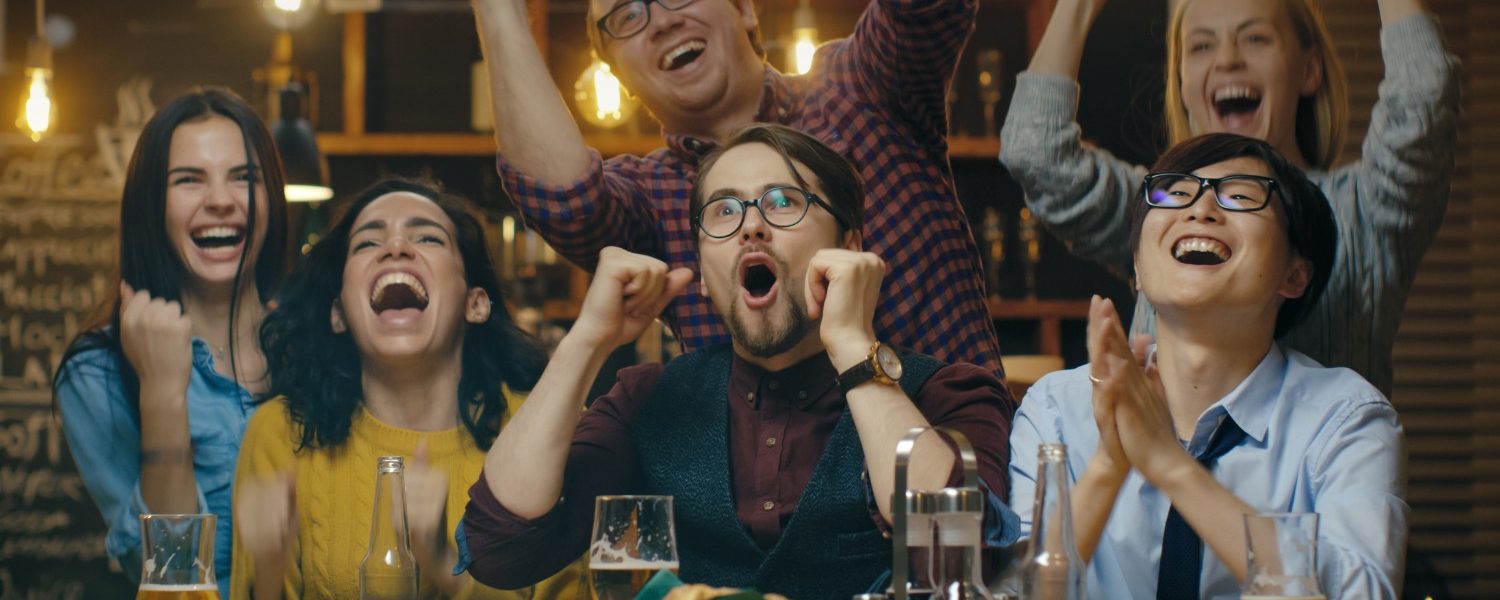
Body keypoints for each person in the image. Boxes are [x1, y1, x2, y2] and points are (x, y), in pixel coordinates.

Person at [460, 124, 1015, 600]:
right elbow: (500, 548)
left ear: (849, 245)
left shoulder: (948, 394)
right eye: (724, 210)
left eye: (782, 201)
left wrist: (851, 342)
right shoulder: (648, 399)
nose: (751, 225)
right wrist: (587, 339)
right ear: (702, 271)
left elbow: (964, 560)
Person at [470, 0, 1011, 386]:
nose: (660, 19)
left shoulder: (861, 85)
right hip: (772, 528)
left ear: (746, 9)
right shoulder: (654, 196)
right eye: (626, 15)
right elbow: (564, 200)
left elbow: (927, 10)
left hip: (953, 490)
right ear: (618, 76)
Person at [1008, 134, 1406, 599]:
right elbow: (1017, 594)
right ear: (1137, 264)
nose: (1200, 209)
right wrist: (1109, 463)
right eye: (1174, 193)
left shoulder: (1346, 419)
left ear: (1295, 274)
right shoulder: (1056, 409)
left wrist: (1170, 465)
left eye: (1239, 195)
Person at [999, 0, 1459, 396]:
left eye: (1255, 38)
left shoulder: (1367, 209)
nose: (1228, 60)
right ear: (1181, 84)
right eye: (1201, 45)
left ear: (1309, 68)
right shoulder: (1160, 207)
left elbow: (1421, 97)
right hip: (1155, 497)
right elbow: (1036, 152)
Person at [226, 179, 588, 600]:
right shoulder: (281, 433)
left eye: (427, 237)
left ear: (476, 303)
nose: (395, 247)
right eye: (367, 243)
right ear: (339, 313)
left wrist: (442, 563)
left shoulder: (548, 435)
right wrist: (268, 572)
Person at [53, 88, 290, 596]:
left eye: (244, 178)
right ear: (150, 206)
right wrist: (161, 393)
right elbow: (170, 577)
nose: (222, 200)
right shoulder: (97, 373)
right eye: (189, 180)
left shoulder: (321, 341)